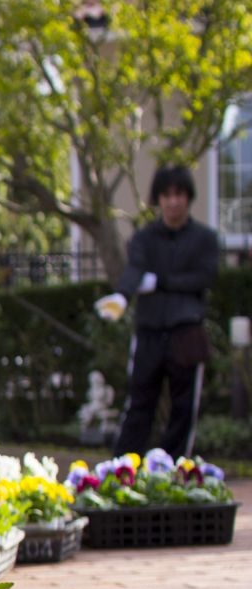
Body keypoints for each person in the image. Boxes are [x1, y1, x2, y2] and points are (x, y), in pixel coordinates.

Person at [95, 165, 219, 457]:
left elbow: (204, 277)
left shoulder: (204, 239)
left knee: (184, 407)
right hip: (149, 331)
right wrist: (122, 297)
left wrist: (162, 281)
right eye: (167, 195)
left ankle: (175, 470)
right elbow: (135, 269)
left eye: (179, 194)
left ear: (188, 197)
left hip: (186, 331)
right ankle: (124, 469)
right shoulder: (144, 239)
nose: (173, 201)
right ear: (159, 199)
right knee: (140, 403)